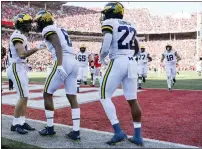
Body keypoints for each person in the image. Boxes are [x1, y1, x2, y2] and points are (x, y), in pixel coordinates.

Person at [99, 2, 143, 146]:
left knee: (104, 96)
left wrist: (101, 56)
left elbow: (107, 41)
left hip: (118, 60)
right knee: (133, 99)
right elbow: (137, 48)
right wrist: (129, 55)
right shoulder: (131, 24)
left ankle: (118, 132)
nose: (104, 15)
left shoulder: (109, 22)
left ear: (110, 12)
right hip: (131, 62)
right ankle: (137, 136)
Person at [34, 10, 80, 140]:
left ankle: (50, 128)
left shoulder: (47, 29)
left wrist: (59, 65)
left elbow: (58, 46)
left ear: (43, 21)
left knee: (47, 94)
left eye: (38, 21)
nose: (37, 24)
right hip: (73, 61)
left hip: (63, 60)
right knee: (72, 96)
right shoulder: (59, 28)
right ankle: (76, 131)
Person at [7, 13, 43, 134]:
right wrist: (37, 48)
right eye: (27, 23)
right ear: (21, 24)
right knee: (22, 96)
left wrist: (26, 64)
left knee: (25, 96)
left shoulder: (20, 35)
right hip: (16, 68)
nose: (29, 25)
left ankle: (21, 121)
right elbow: (22, 54)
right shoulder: (17, 35)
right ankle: (15, 124)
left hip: (20, 67)